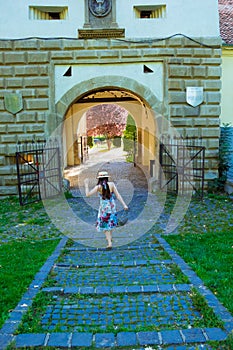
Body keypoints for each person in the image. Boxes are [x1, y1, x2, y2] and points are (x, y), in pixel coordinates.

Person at [84, 170, 128, 249]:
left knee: (105, 225)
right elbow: (118, 195)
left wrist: (86, 185)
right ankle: (109, 238)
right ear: (107, 178)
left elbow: (87, 194)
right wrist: (124, 204)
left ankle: (109, 243)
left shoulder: (98, 187)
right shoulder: (112, 185)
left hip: (104, 208)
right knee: (110, 223)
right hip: (112, 207)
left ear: (99, 179)